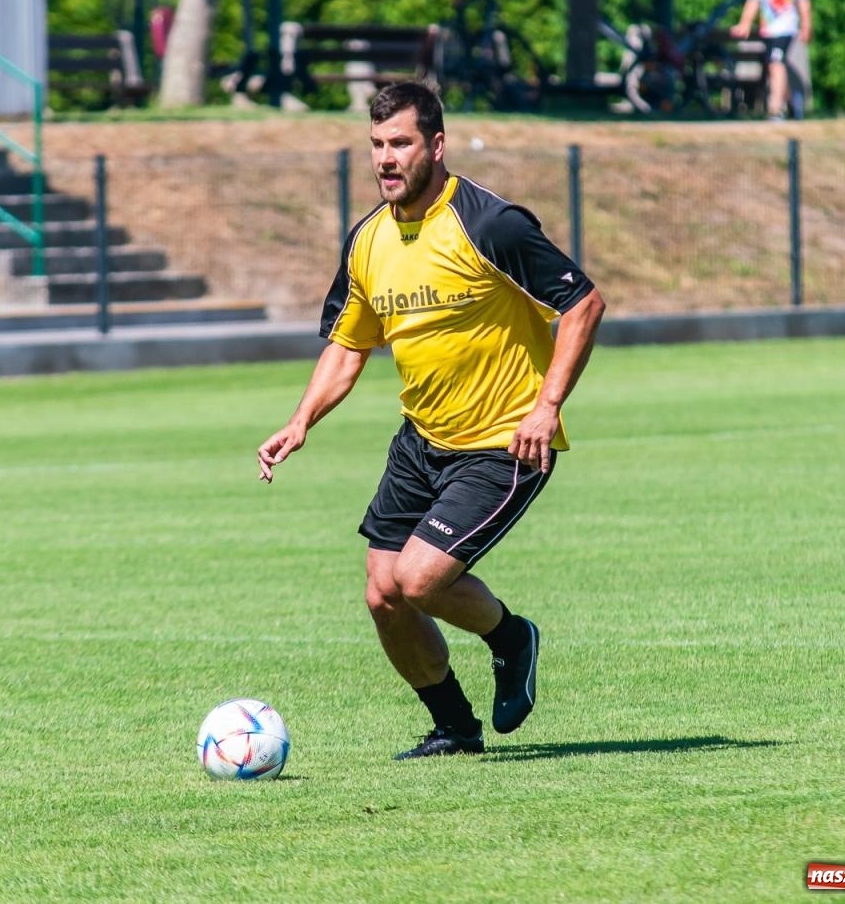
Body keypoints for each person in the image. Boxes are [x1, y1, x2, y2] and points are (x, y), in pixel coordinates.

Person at [256, 81, 605, 760]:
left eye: (401, 144)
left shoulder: (490, 223)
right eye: (377, 146)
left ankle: (511, 637)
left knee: (418, 578)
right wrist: (301, 421)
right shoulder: (368, 241)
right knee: (383, 594)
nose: (386, 159)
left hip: (505, 443)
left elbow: (583, 304)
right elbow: (350, 342)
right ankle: (453, 725)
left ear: (436, 146)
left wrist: (547, 405)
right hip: (422, 442)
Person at [731, 0, 813, 120]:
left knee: (776, 63)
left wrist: (806, 26)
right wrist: (745, 22)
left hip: (787, 28)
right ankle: (792, 103)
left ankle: (776, 108)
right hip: (768, 29)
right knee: (774, 65)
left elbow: (803, 1)